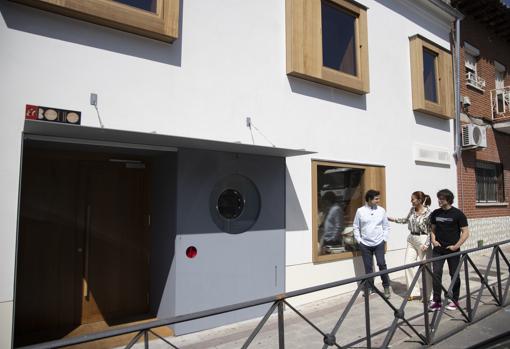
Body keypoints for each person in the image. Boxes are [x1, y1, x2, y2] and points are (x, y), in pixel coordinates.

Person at [429, 189, 469, 311]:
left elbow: (465, 232)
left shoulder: (458, 214)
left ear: (448, 200)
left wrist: (456, 246)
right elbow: (432, 230)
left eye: (441, 199)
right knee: (436, 274)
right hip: (438, 250)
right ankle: (436, 301)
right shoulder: (435, 213)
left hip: (453, 250)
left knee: (454, 274)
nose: (439, 201)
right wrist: (434, 241)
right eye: (438, 198)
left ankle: (455, 300)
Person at [388, 191, 432, 301]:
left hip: (423, 239)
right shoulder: (412, 210)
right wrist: (393, 219)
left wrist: (427, 244)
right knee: (408, 264)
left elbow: (432, 230)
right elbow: (406, 220)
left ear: (420, 200)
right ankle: (414, 292)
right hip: (411, 239)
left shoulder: (428, 213)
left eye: (413, 199)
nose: (411, 201)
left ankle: (429, 295)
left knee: (426, 267)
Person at [353, 189, 391, 298]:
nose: (378, 200)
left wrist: (384, 239)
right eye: (376, 199)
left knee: (381, 264)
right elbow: (356, 226)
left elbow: (386, 226)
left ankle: (386, 287)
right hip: (365, 244)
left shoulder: (381, 210)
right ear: (369, 199)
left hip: (379, 242)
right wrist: (359, 240)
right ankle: (370, 287)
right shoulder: (360, 211)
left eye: (378, 198)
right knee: (368, 267)